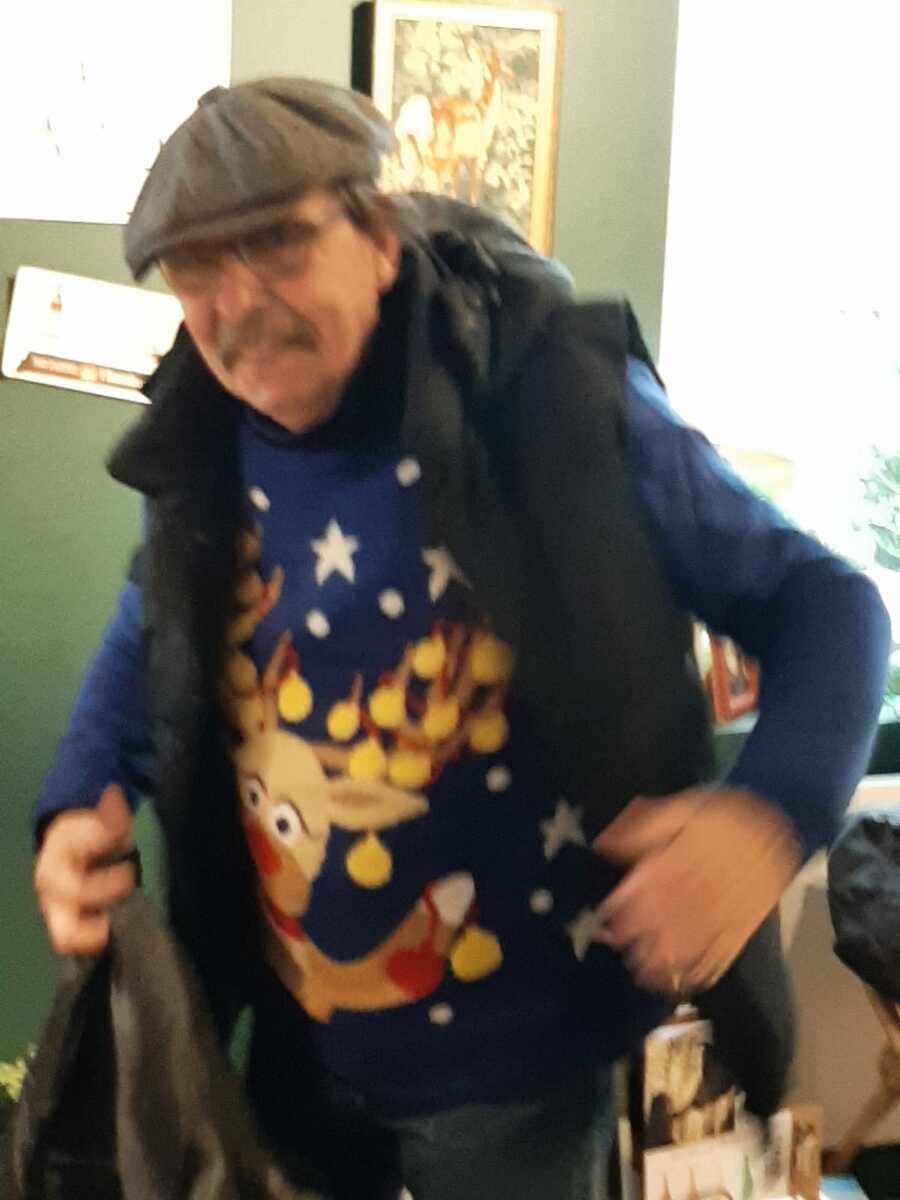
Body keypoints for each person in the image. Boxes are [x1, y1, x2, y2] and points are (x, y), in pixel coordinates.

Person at [30, 78, 889, 1200]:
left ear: (378, 239)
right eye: (196, 270)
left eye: (279, 246)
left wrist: (770, 815)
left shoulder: (555, 396)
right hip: (292, 1042)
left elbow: (829, 602)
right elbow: (155, 622)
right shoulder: (198, 435)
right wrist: (80, 794)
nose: (237, 304)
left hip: (521, 1074)